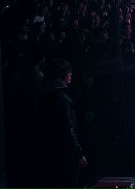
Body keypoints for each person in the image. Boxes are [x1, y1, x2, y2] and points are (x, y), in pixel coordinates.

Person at [38, 58, 87, 189]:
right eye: (69, 72)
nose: (71, 75)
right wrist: (78, 153)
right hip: (65, 154)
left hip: (50, 151)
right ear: (62, 75)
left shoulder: (45, 95)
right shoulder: (61, 99)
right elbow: (67, 128)